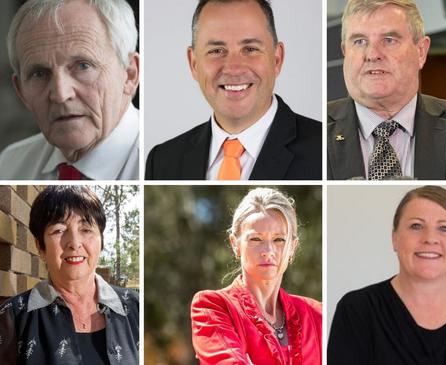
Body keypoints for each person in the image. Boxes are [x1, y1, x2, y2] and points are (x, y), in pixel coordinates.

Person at [327, 0, 446, 180]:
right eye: (359, 41)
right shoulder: (314, 133)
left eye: (389, 40)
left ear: (421, 51)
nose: (372, 54)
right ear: (345, 52)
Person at [145, 0, 321, 180]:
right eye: (217, 51)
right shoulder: (161, 161)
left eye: (250, 49)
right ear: (194, 63)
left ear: (277, 59)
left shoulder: (323, 150)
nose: (234, 68)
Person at [328, 186, 446, 364]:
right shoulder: (357, 311)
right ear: (394, 238)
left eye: (444, 228)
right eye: (416, 226)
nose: (430, 238)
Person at [0, 0, 140, 180]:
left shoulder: (154, 166)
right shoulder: (9, 165)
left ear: (129, 74)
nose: (60, 94)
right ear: (21, 92)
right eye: (39, 74)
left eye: (83, 66)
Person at [0, 186, 139, 364]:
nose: (74, 243)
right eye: (59, 230)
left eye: (86, 229)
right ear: (40, 246)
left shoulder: (135, 307)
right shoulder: (13, 317)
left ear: (101, 241)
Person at [191, 188, 322, 364]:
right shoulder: (212, 306)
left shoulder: (317, 314)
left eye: (279, 240)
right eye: (255, 239)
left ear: (293, 247)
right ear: (235, 244)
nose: (268, 251)